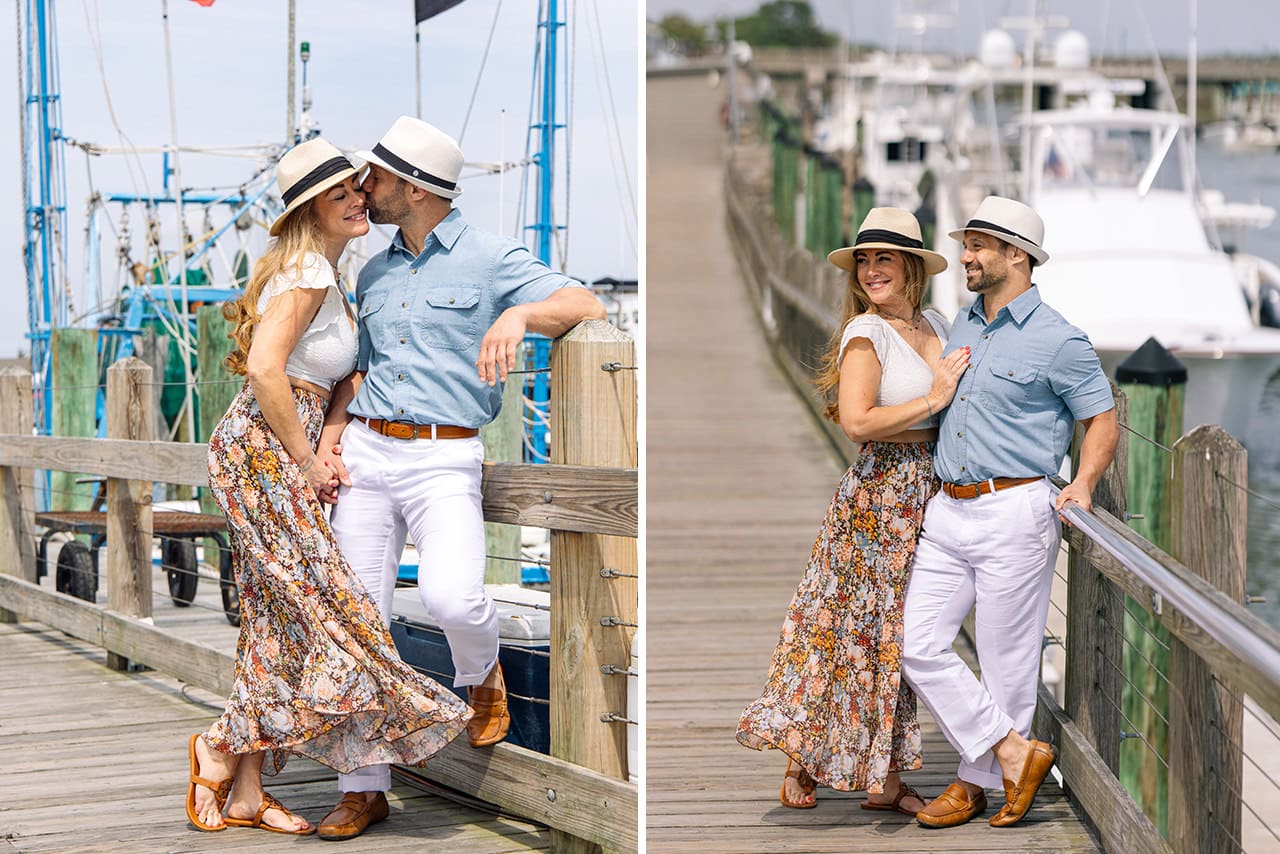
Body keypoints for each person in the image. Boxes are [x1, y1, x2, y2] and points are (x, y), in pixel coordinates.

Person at [310, 116, 606, 841]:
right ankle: (362, 788)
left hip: (445, 455)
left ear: (414, 187)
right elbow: (360, 371)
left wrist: (520, 314)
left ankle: (480, 674)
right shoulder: (374, 272)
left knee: (452, 595)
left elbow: (586, 304)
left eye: (375, 177)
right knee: (355, 622)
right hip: (369, 452)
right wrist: (333, 438)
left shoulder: (491, 257)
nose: (363, 188)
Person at [185, 138, 473, 836]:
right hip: (264, 451)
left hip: (286, 444)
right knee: (326, 614)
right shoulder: (310, 268)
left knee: (276, 619)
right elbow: (265, 369)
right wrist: (307, 460)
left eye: (356, 188)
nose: (357, 199)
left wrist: (327, 439)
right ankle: (219, 743)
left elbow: (343, 379)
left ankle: (247, 788)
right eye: (338, 194)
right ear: (309, 210)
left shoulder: (333, 276)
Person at [737, 208, 970, 815]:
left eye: (883, 258)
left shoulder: (938, 324)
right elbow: (858, 421)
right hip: (880, 496)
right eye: (863, 260)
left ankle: (880, 772)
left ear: (912, 266)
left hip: (931, 492)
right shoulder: (866, 333)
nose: (870, 271)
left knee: (896, 633)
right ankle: (808, 757)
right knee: (849, 629)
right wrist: (934, 398)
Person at [903, 196, 1119, 829]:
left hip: (1015, 509)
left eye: (977, 246)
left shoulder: (1060, 339)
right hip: (948, 509)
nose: (965, 257)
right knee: (916, 644)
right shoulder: (962, 323)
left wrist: (1083, 482)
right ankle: (1013, 751)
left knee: (1008, 664)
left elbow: (1101, 418)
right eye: (966, 245)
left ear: (1016, 255)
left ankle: (973, 785)